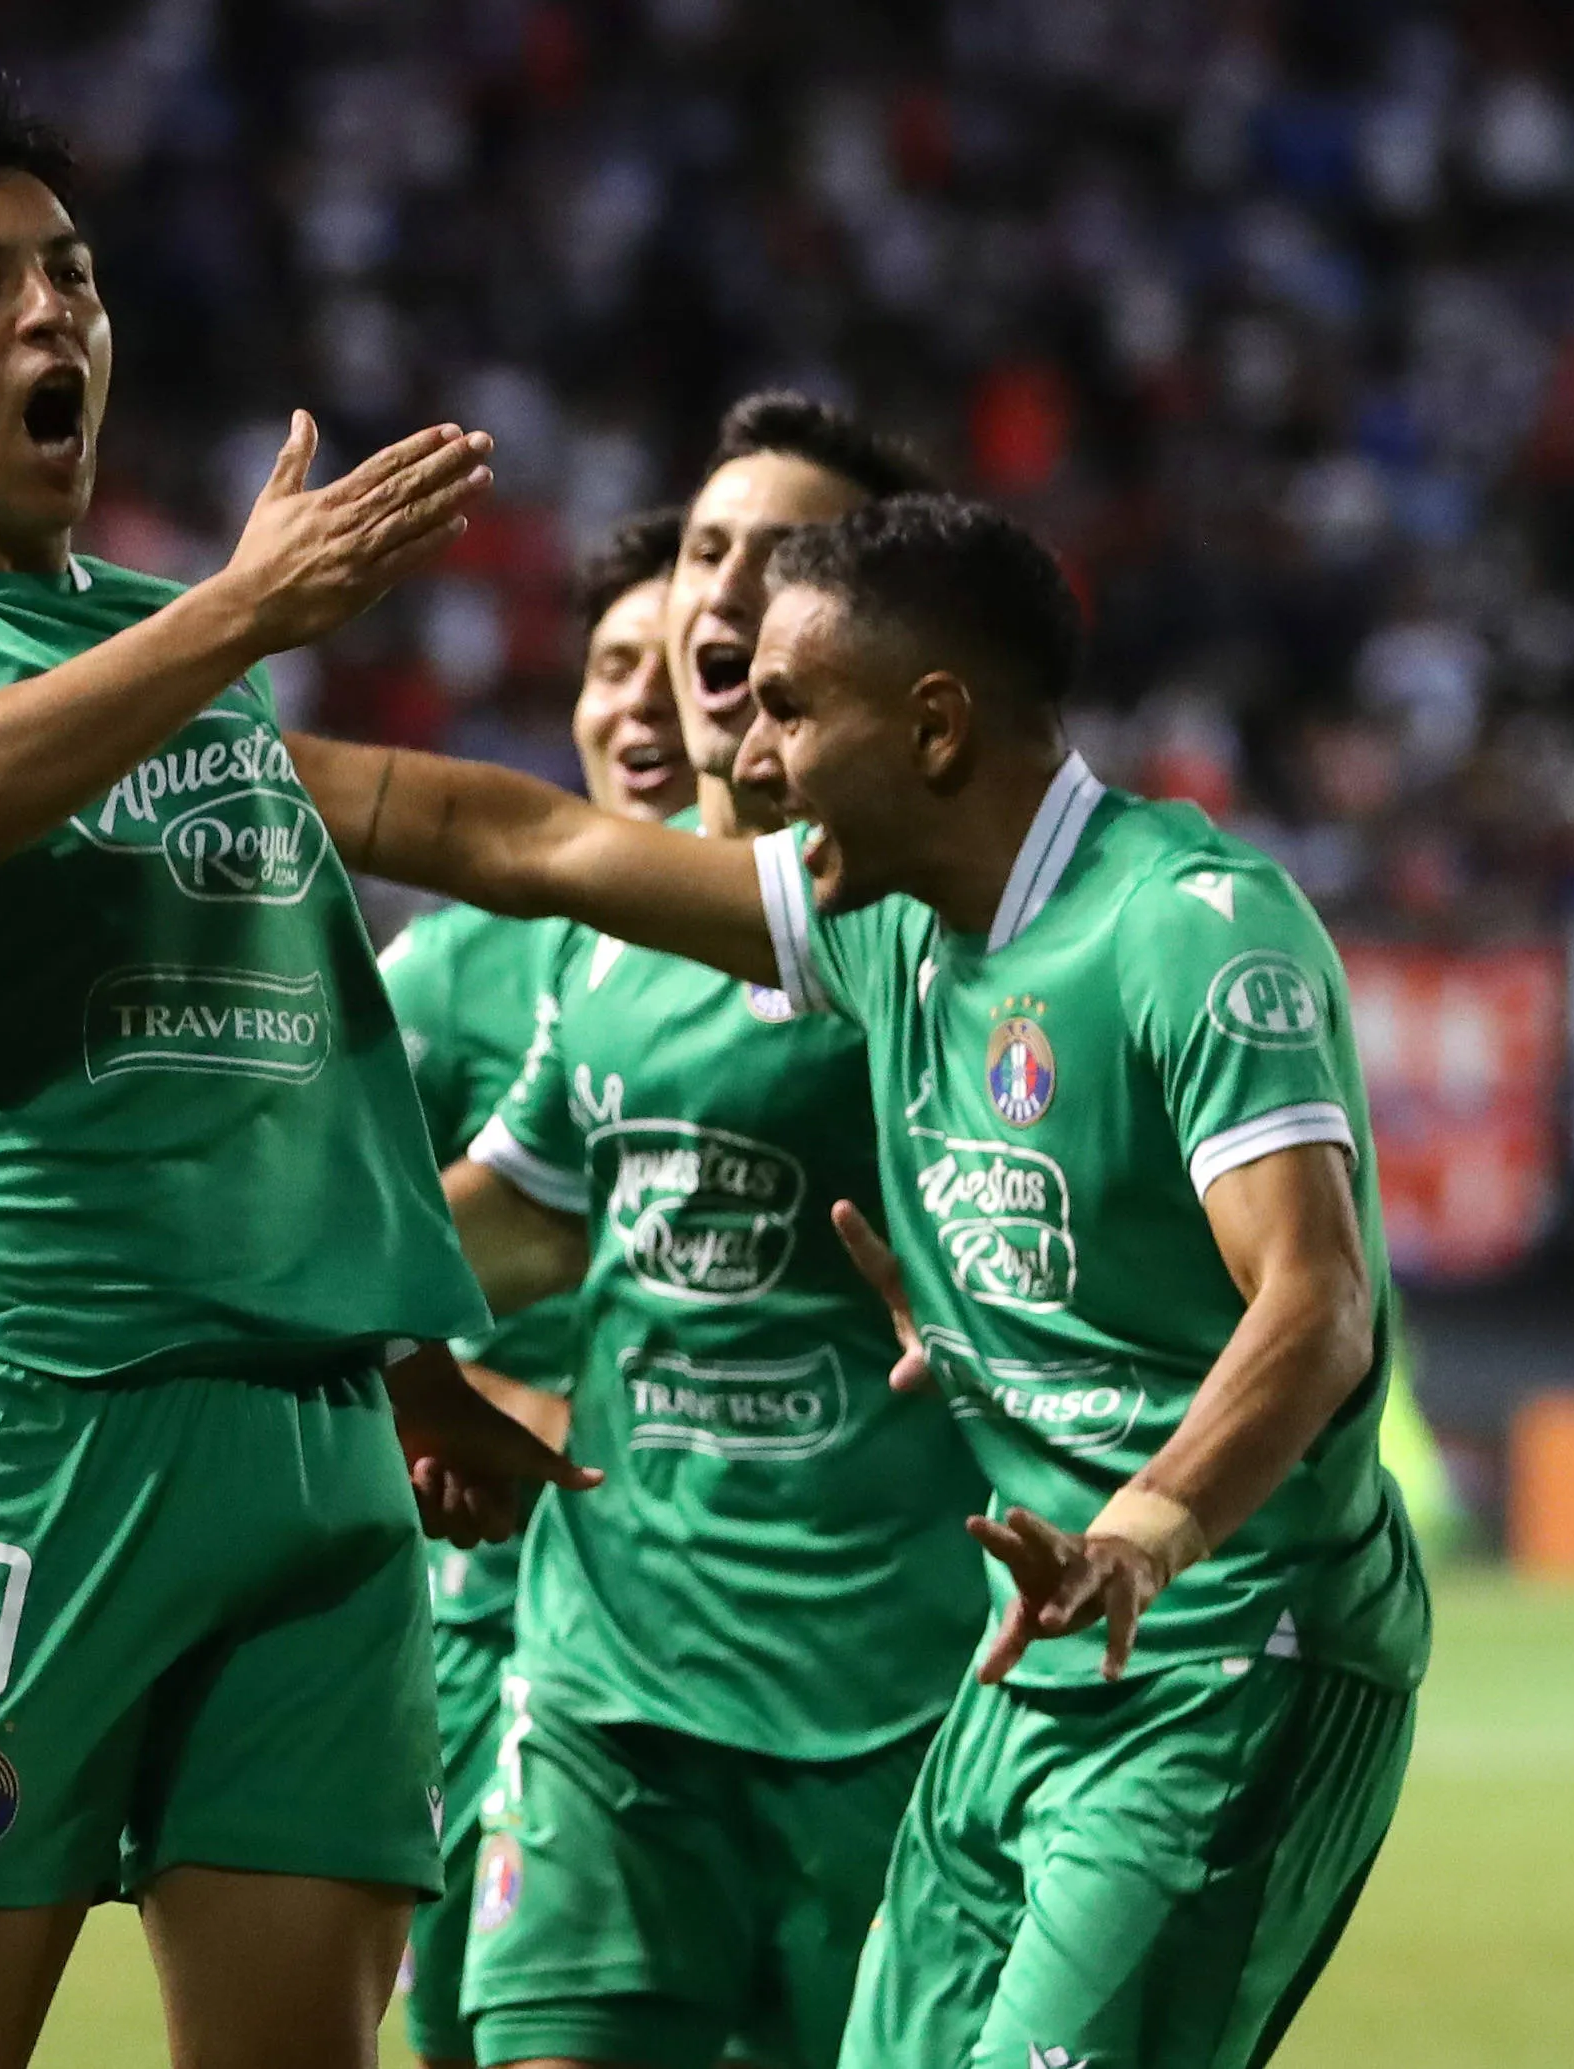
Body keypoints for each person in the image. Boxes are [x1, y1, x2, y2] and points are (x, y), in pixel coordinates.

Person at [0, 102, 588, 2069]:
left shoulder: (171, 659)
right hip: (35, 1428)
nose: (46, 313)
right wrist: (240, 611)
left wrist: (407, 1365)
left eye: (70, 274)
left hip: (318, 1468)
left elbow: (278, 1053)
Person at [287, 494, 1430, 2069]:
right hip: (1028, 1649)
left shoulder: (1186, 931)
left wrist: (1143, 1536)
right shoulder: (884, 935)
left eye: (785, 712)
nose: (743, 761)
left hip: (1227, 1641)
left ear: (936, 728)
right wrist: (162, 735)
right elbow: (523, 843)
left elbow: (1313, 1300)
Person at [438, 396, 988, 2069]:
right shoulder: (614, 929)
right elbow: (519, 1229)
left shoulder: (941, 937)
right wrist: (284, 1279)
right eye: (701, 551)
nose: (722, 594)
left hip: (887, 1706)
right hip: (609, 1699)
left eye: (784, 558)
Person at [377, 506, 693, 2069]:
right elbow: (321, 1233)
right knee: (460, 2025)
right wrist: (459, 1394)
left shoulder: (847, 965)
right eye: (606, 666)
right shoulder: (448, 979)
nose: (636, 703)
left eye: (679, 668)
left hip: (717, 1605)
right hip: (479, 1610)